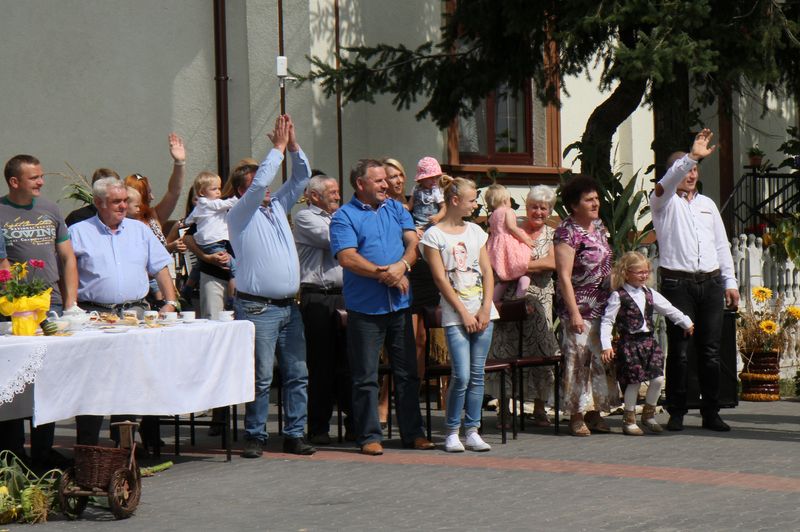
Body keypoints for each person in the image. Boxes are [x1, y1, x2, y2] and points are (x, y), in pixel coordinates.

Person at [330, 158, 434, 456]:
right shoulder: (344, 216)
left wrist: (401, 267)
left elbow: (414, 243)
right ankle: (369, 435)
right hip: (365, 309)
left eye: (385, 180)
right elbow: (347, 258)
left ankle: (413, 433)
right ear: (360, 184)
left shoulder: (397, 209)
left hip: (400, 306)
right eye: (378, 181)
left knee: (407, 373)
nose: (386, 185)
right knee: (365, 376)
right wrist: (384, 274)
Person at [228, 115, 316, 458]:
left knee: (297, 372)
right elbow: (261, 179)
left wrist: (293, 147)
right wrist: (276, 149)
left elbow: (302, 177)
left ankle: (294, 433)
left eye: (265, 187)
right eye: (257, 185)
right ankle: (255, 434)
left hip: (288, 306)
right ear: (242, 190)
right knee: (261, 375)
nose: (266, 189)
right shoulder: (240, 213)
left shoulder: (277, 206)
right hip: (257, 307)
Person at [70, 176, 178, 449]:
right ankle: (88, 448)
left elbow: (161, 266)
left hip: (135, 314)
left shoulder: (139, 230)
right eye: (116, 201)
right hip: (95, 316)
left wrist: (170, 302)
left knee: (132, 378)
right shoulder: (79, 231)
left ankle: (124, 447)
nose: (122, 206)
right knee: (93, 381)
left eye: (125, 201)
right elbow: (66, 274)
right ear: (98, 203)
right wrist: (71, 308)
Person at [651, 128, 740, 432]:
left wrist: (730, 282)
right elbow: (667, 185)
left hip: (710, 283)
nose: (691, 174)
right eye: (687, 169)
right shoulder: (662, 202)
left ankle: (711, 411)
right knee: (680, 349)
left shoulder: (708, 205)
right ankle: (676, 411)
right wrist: (689, 157)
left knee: (711, 351)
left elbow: (720, 245)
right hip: (679, 284)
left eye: (695, 169)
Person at [0, 153, 79, 471]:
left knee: (47, 379)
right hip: (14, 309)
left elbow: (67, 257)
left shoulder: (51, 209)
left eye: (41, 176)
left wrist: (71, 303)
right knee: (13, 379)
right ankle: (12, 453)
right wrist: (16, 301)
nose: (42, 182)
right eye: (35, 177)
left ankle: (44, 451)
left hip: (52, 306)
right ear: (14, 181)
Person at [421, 176, 498, 452]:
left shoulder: (476, 232)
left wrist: (486, 307)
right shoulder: (434, 236)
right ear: (455, 201)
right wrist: (464, 312)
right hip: (456, 314)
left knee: (478, 374)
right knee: (462, 374)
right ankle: (452, 430)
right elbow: (441, 279)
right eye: (472, 200)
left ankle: (473, 429)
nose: (475, 205)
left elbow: (487, 271)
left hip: (482, 311)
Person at [488, 185, 559, 427]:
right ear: (526, 206)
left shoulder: (552, 234)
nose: (538, 211)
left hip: (539, 297)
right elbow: (495, 249)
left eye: (543, 208)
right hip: (508, 296)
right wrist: (512, 266)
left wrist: (516, 266)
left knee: (541, 351)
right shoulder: (513, 224)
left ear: (549, 210)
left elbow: (552, 262)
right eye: (534, 206)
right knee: (504, 351)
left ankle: (540, 408)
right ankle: (504, 410)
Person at [600, 251, 694, 435]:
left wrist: (685, 321)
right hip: (630, 344)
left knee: (658, 379)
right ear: (626, 273)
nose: (644, 275)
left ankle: (649, 415)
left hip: (649, 342)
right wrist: (606, 344)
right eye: (639, 272)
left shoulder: (649, 293)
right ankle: (629, 419)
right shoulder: (618, 296)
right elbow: (607, 321)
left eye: (647, 272)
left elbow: (668, 309)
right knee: (634, 382)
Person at [554, 175, 619, 437]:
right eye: (588, 199)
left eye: (596, 198)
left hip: (602, 306)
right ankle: (576, 415)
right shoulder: (566, 232)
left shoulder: (600, 227)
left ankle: (595, 412)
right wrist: (573, 313)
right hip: (578, 306)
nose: (595, 203)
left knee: (599, 359)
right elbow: (563, 277)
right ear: (573, 205)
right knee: (578, 361)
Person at [293, 174, 352, 445]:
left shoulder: (342, 216)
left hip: (345, 297)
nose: (337, 196)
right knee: (321, 364)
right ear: (314, 195)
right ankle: (318, 427)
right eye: (331, 192)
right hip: (318, 297)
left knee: (349, 363)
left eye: (338, 191)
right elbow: (335, 241)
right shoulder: (305, 217)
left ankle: (355, 425)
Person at [184, 171, 238, 298]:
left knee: (198, 265)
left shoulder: (200, 205)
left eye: (219, 188)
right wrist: (242, 197)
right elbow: (229, 203)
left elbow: (189, 219)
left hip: (204, 242)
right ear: (202, 192)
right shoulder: (212, 204)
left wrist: (188, 222)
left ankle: (187, 288)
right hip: (214, 242)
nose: (218, 192)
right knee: (235, 269)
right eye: (214, 189)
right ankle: (232, 300)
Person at [484, 184, 534, 302]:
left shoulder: (493, 215)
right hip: (508, 244)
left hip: (496, 245)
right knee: (523, 264)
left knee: (503, 275)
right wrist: (526, 239)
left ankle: (492, 301)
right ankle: (521, 291)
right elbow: (512, 228)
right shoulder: (508, 211)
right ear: (505, 200)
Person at [408, 156, 445, 229]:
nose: (434, 180)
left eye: (436, 177)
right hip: (418, 225)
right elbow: (409, 206)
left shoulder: (436, 191)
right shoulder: (416, 189)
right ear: (422, 178)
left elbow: (444, 207)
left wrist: (438, 217)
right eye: (431, 177)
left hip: (433, 225)